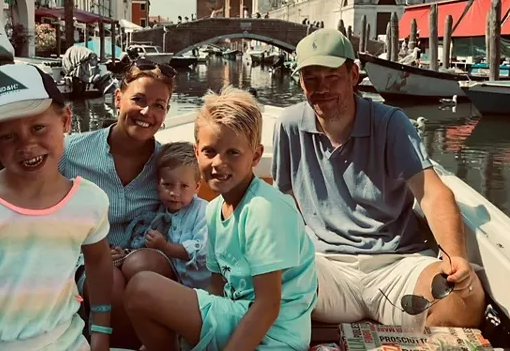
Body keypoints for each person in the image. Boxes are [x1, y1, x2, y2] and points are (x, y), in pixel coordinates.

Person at [272, 28, 486, 328]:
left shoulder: (390, 123)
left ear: (354, 75)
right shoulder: (289, 125)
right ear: (300, 82)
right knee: (263, 282)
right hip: (324, 267)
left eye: (332, 77)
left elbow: (433, 194)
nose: (321, 88)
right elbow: (284, 199)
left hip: (396, 265)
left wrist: (455, 257)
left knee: (466, 298)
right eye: (311, 78)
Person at [0, 64, 113, 350]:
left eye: (38, 127)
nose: (27, 144)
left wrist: (100, 329)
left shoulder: (90, 201)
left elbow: (98, 261)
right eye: (7, 136)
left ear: (65, 120)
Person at [124, 86, 318, 351]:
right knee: (143, 294)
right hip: (235, 316)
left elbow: (268, 305)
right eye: (210, 151)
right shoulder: (214, 211)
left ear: (256, 156)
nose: (218, 163)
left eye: (233, 153)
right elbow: (216, 286)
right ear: (196, 153)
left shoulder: (264, 209)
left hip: (275, 336)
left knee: (142, 288)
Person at [59, 59, 178, 347]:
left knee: (143, 267)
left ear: (166, 112)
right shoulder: (69, 153)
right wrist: (86, 256)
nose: (147, 112)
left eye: (159, 105)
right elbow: (46, 214)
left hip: (146, 257)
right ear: (117, 99)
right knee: (108, 281)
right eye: (138, 100)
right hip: (87, 260)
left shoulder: (169, 164)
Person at [119, 141, 210, 290]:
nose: (175, 193)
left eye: (184, 186)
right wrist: (125, 252)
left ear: (196, 187)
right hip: (176, 282)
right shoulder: (159, 214)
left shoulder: (203, 211)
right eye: (168, 185)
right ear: (157, 184)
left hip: (204, 288)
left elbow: (201, 251)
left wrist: (165, 247)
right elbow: (144, 242)